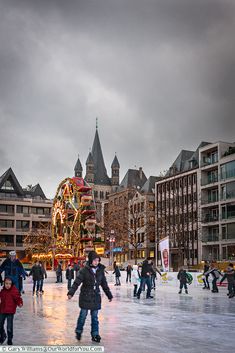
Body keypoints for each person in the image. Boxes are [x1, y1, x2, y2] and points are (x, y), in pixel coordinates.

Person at [67, 251, 113, 343]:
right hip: (85, 296)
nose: (97, 262)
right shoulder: (84, 270)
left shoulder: (100, 271)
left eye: (98, 260)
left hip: (95, 297)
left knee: (95, 317)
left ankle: (95, 334)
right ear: (91, 260)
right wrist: (71, 292)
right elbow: (77, 282)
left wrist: (109, 295)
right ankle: (78, 331)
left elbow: (104, 284)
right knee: (83, 316)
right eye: (95, 260)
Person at [0, 277, 23, 345]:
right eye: (6, 283)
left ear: (11, 284)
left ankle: (9, 339)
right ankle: (3, 335)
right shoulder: (2, 291)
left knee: (9, 327)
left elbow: (18, 298)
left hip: (10, 311)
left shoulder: (14, 291)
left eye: (9, 284)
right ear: (4, 284)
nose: (7, 285)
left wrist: (20, 303)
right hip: (2, 310)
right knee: (0, 325)